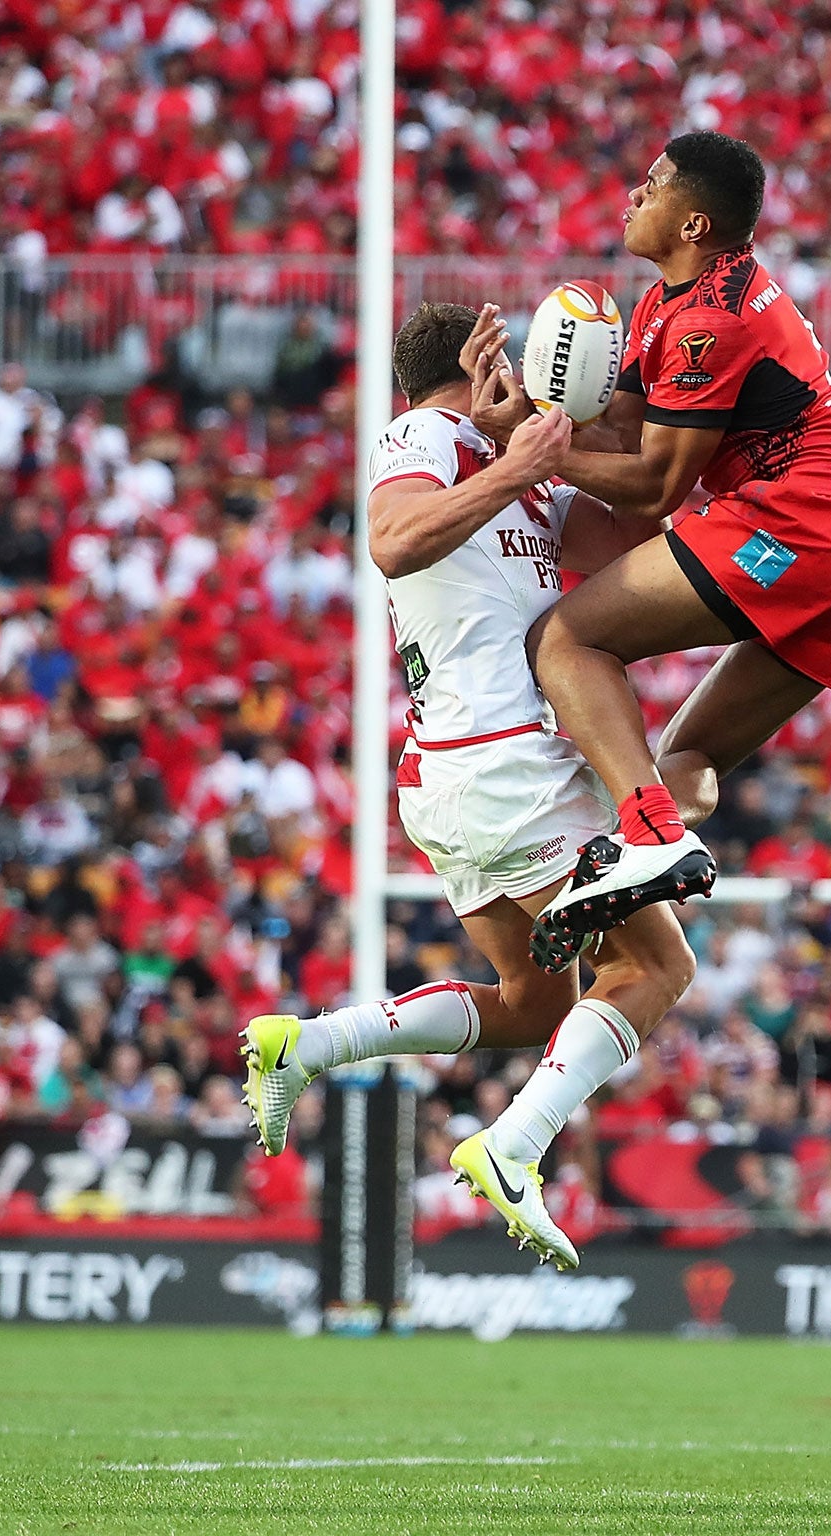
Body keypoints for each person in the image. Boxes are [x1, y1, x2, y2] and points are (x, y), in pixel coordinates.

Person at [241, 301, 697, 1272]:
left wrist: (593, 428)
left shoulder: (505, 466)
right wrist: (515, 461)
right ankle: (514, 1146)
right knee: (657, 970)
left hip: (465, 772)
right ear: (476, 357)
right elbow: (394, 542)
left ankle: (308, 1048)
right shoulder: (424, 434)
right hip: (503, 763)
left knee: (533, 1007)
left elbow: (639, 529)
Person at [461, 130, 831, 972]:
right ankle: (646, 841)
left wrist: (532, 450)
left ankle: (647, 840)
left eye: (654, 184)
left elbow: (656, 483)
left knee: (565, 639)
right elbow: (625, 430)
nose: (634, 193)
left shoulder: (708, 319)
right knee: (682, 760)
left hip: (797, 524)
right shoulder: (673, 301)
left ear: (695, 223)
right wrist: (525, 412)